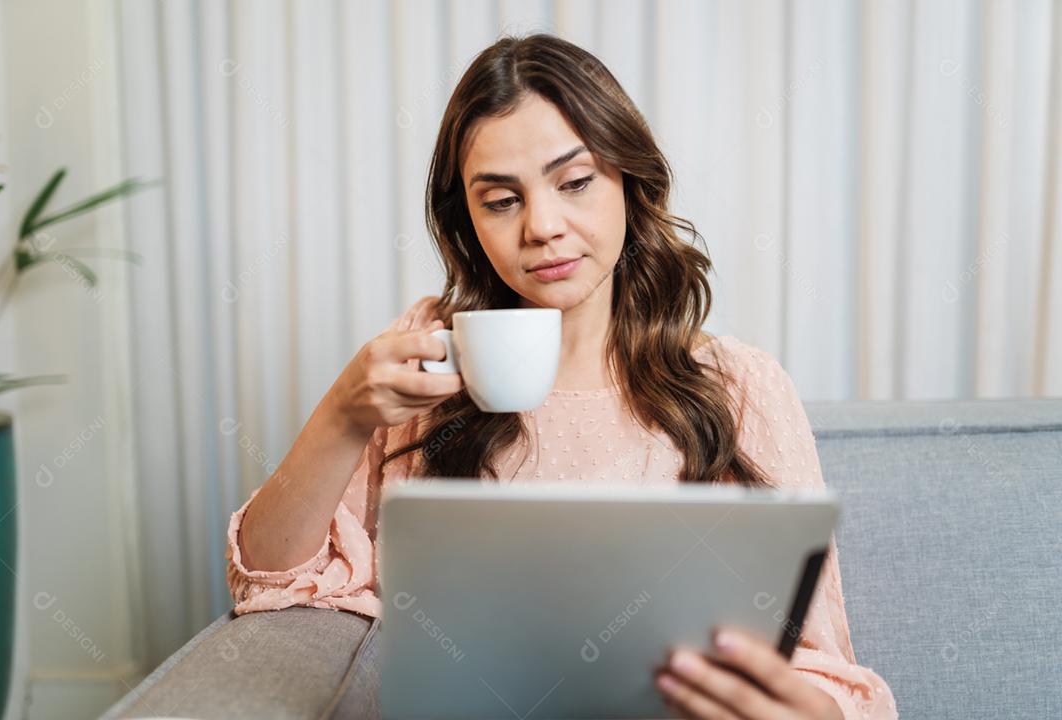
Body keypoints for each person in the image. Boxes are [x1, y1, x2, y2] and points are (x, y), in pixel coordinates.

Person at [227, 33, 898, 720]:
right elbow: (269, 582)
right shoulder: (424, 357)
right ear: (469, 222)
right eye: (501, 201)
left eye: (575, 182)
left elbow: (818, 665)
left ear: (630, 185)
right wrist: (344, 415)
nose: (543, 226)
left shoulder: (739, 385)